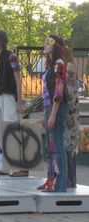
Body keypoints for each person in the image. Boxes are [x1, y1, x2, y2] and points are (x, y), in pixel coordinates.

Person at [0, 29, 25, 177]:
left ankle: (16, 166)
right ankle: (3, 164)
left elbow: (17, 79)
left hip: (8, 96)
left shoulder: (11, 57)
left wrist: (19, 101)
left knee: (11, 128)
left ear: (1, 40)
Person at [37, 35, 69, 192]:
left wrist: (53, 114)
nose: (44, 44)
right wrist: (45, 113)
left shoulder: (60, 64)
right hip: (50, 109)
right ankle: (50, 180)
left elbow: (59, 92)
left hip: (57, 108)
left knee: (57, 145)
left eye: (48, 42)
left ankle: (60, 183)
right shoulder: (50, 65)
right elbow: (46, 93)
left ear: (56, 46)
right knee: (50, 147)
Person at [64, 39, 80, 188]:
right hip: (73, 108)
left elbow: (69, 90)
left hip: (69, 108)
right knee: (68, 143)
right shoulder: (71, 65)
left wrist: (67, 110)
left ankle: (69, 179)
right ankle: (70, 179)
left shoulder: (68, 66)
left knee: (67, 143)